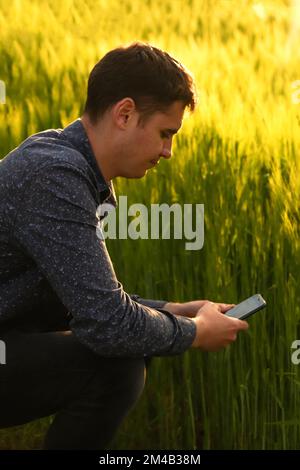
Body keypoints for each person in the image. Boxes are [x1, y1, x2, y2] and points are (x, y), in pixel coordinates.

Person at [0, 42, 248, 450]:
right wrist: (194, 332)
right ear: (125, 113)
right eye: (166, 134)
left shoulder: (63, 161)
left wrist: (172, 310)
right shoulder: (55, 177)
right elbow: (109, 324)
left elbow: (86, 299)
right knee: (117, 364)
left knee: (132, 344)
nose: (169, 152)